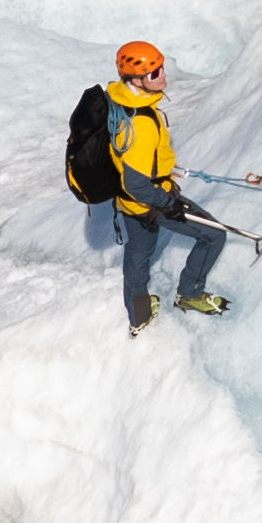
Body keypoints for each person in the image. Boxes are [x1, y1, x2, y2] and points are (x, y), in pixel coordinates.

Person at [98, 40, 234, 334]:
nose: (162, 75)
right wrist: (167, 203)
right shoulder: (142, 124)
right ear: (136, 80)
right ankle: (190, 294)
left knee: (138, 253)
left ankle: (139, 314)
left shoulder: (121, 100)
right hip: (148, 200)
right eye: (153, 73)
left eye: (161, 68)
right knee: (213, 236)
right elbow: (136, 183)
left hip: (127, 203)